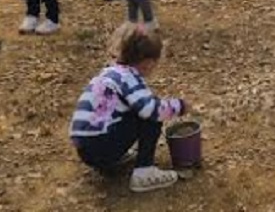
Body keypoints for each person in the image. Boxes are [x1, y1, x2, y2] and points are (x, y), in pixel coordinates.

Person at [69, 24, 187, 193]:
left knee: (135, 109)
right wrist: (180, 106)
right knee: (150, 116)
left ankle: (110, 161)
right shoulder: (129, 79)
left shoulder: (108, 73)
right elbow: (152, 110)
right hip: (102, 146)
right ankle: (144, 172)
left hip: (84, 149)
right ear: (148, 63)